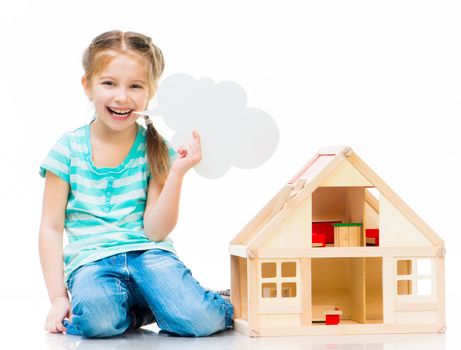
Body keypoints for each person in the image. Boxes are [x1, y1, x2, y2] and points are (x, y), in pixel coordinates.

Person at [38, 30, 233, 338]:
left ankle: (213, 301)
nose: (122, 96)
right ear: (87, 86)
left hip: (149, 255)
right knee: (96, 322)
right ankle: (151, 309)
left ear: (150, 91)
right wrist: (58, 297)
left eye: (135, 86)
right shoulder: (67, 150)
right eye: (109, 83)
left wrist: (177, 173)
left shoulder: (156, 148)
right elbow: (50, 227)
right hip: (91, 263)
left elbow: (155, 231)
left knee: (201, 320)